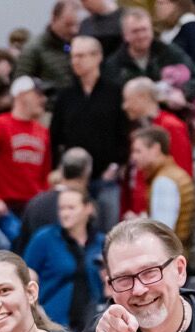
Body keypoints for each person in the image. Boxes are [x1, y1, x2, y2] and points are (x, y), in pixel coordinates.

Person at [51, 36, 127, 228]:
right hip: (73, 179)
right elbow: (55, 136)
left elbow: (123, 132)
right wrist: (58, 169)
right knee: (72, 228)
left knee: (107, 230)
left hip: (106, 177)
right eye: (74, 56)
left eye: (82, 56)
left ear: (97, 57)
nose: (76, 61)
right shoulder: (65, 96)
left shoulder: (114, 93)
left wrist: (117, 165)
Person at [23, 186, 104, 332]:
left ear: (88, 208)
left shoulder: (101, 241)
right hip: (53, 323)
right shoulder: (45, 238)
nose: (64, 214)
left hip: (92, 324)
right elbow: (27, 275)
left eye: (71, 208)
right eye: (61, 208)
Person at [0, 76, 51, 217]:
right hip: (5, 206)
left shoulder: (43, 131)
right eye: (37, 94)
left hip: (33, 204)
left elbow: (45, 172)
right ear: (21, 95)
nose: (43, 99)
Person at [105, 6, 195, 100]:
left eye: (144, 29)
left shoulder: (167, 51)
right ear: (125, 35)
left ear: (152, 30)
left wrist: (183, 92)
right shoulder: (114, 64)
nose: (141, 36)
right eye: (135, 31)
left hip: (172, 114)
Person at [130, 127, 195, 247]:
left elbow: (163, 231)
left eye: (138, 151)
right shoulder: (172, 174)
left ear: (155, 149)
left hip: (169, 257)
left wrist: (137, 223)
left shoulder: (164, 181)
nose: (133, 157)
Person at [16, 1, 80, 94]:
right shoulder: (34, 49)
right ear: (54, 19)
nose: (74, 30)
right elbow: (20, 84)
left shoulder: (77, 44)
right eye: (68, 25)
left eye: (76, 25)